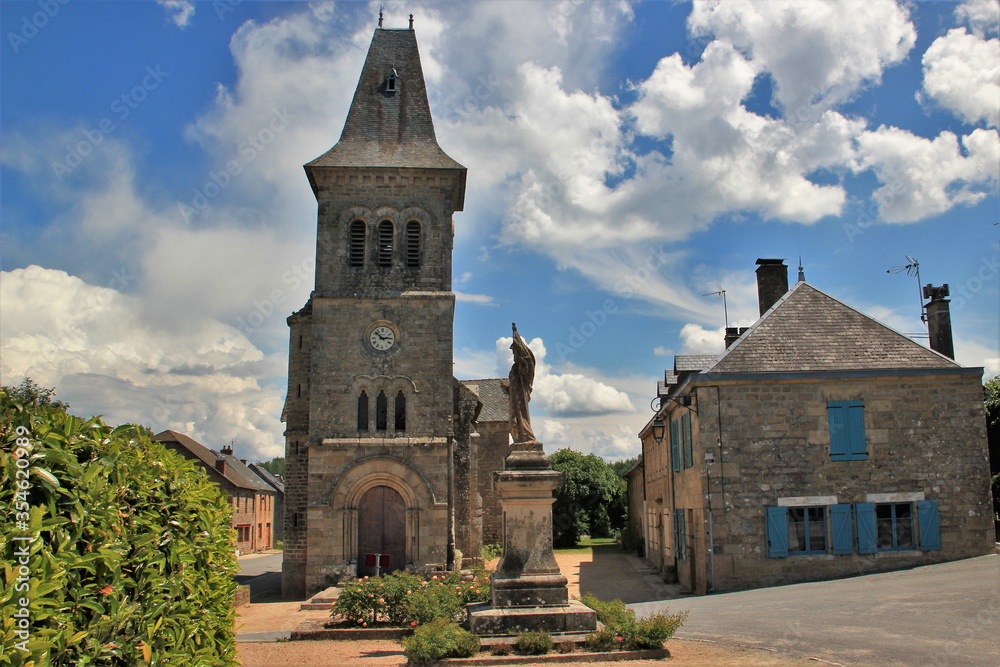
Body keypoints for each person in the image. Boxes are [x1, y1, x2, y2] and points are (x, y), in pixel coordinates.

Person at [508, 323, 536, 443]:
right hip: (514, 397)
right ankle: (520, 437)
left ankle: (527, 436)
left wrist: (516, 337)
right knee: (514, 421)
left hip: (520, 397)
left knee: (521, 417)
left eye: (514, 351)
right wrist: (507, 388)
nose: (513, 354)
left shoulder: (522, 367)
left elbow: (528, 363)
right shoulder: (514, 368)